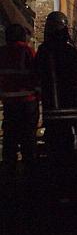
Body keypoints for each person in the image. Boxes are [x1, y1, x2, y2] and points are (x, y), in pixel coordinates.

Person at [34, 11, 77, 163]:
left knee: (54, 147)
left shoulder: (43, 51)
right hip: (72, 106)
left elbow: (37, 75)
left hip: (52, 108)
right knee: (74, 143)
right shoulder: (70, 51)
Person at [0, 24, 39, 174]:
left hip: (10, 106)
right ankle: (31, 176)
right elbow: (37, 75)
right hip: (28, 104)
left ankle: (9, 175)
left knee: (10, 141)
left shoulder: (2, 52)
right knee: (28, 141)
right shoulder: (27, 51)